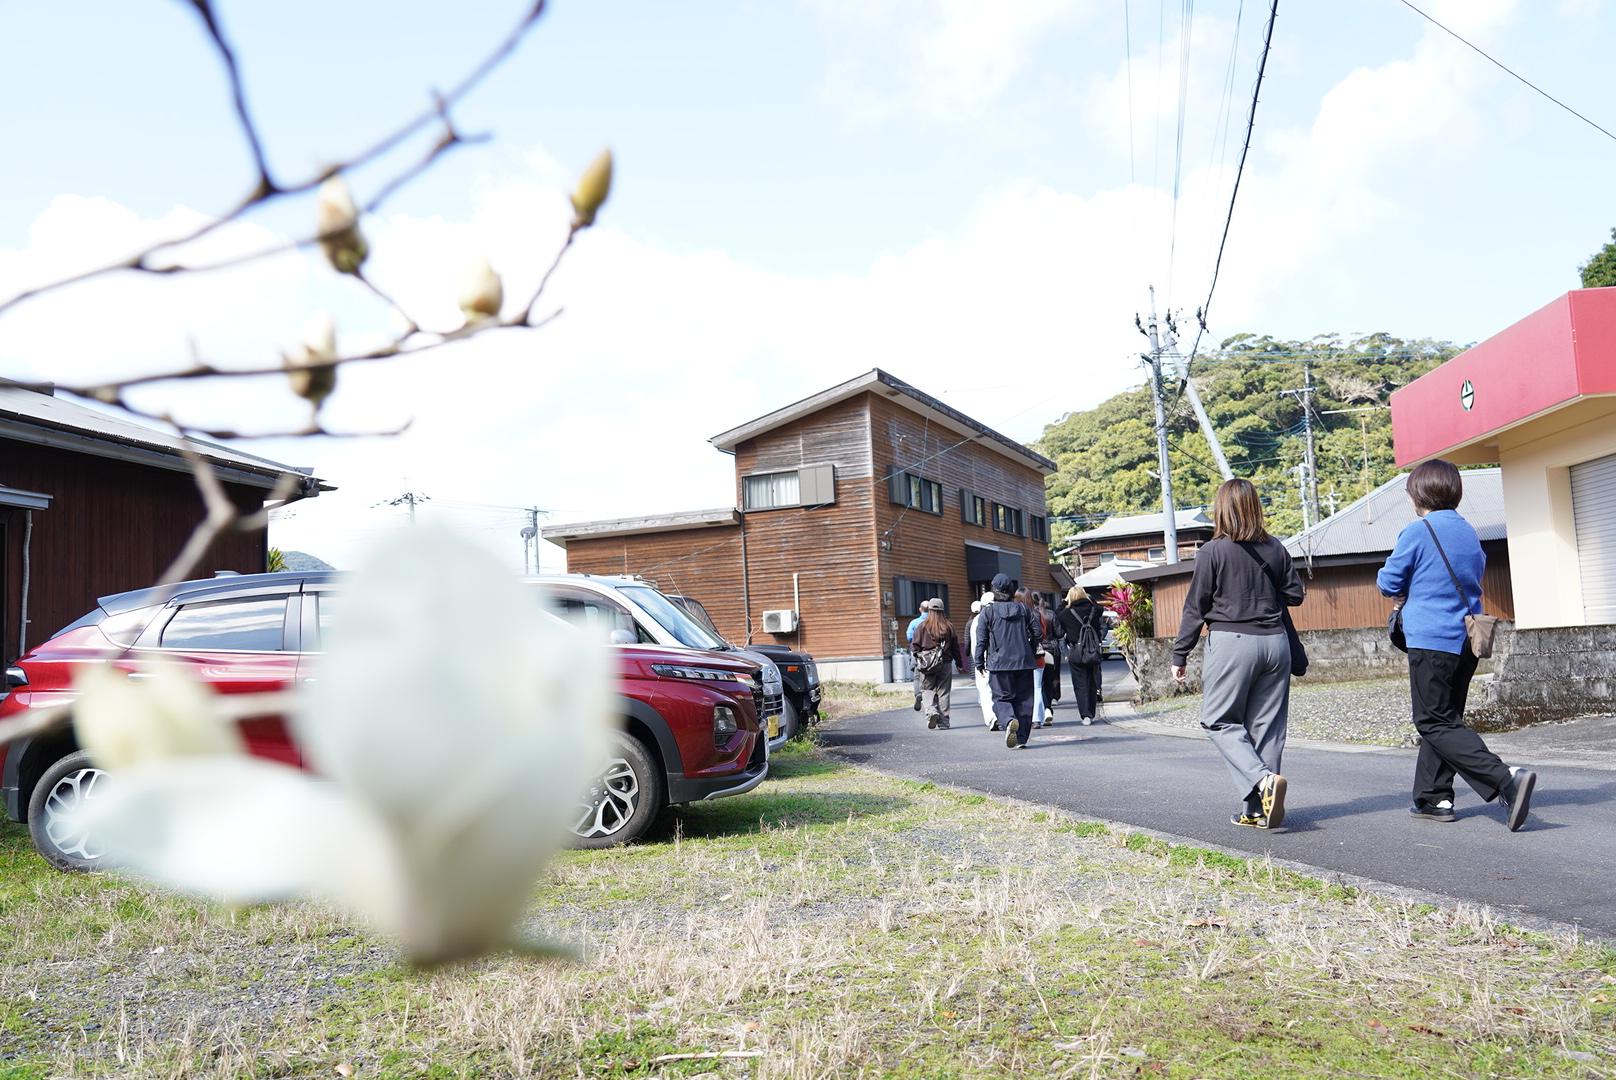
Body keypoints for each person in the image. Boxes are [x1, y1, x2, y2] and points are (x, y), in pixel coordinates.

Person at [1377, 459, 1537, 831]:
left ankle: (1506, 779)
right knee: (1446, 719)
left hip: (1430, 640)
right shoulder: (1467, 532)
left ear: (1419, 495)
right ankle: (1435, 797)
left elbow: (1388, 582)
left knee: (1432, 721)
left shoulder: (1417, 532)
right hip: (1465, 639)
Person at [1172, 478, 1304, 830]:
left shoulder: (1212, 551)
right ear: (1255, 507)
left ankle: (1262, 781)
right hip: (1275, 643)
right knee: (1267, 728)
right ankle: (1256, 810)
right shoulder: (1276, 548)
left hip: (1233, 642)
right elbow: (1295, 593)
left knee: (1218, 720)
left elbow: (1195, 607)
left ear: (1221, 509)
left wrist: (1179, 654)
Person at [977, 575, 1040, 747]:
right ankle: (1021, 738)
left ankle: (1009, 719)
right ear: (1012, 590)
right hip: (1024, 661)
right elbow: (1037, 632)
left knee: (1001, 698)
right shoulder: (1023, 609)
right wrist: (1031, 650)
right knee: (1025, 700)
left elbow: (981, 639)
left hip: (999, 663)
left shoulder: (988, 612)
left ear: (993, 590)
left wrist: (979, 662)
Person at [910, 598, 964, 730]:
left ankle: (931, 712)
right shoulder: (948, 626)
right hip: (945, 663)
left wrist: (919, 658)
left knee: (927, 690)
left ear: (929, 610)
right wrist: (959, 663)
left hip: (927, 664)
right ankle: (944, 722)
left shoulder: (922, 626)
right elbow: (956, 647)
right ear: (942, 610)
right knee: (943, 692)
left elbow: (914, 646)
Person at [1058, 587, 1106, 725]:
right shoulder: (1094, 611)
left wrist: (1064, 601)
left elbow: (1057, 614)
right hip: (1092, 651)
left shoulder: (1066, 613)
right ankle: (1091, 713)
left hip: (1075, 652)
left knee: (1080, 684)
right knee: (1092, 682)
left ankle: (1085, 715)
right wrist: (1090, 599)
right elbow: (1099, 607)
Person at [968, 594, 996, 728]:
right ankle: (1002, 715)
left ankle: (991, 717)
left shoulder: (977, 621)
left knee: (985, 691)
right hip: (998, 659)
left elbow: (976, 644)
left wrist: (977, 662)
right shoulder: (1000, 617)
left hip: (983, 659)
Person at [1039, 595, 1063, 719]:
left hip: (1038, 650)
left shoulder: (1030, 614)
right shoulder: (1051, 614)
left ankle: (1044, 706)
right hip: (1052, 649)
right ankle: (1054, 698)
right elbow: (1059, 633)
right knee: (1053, 676)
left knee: (1039, 681)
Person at [906, 601, 929, 711]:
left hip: (917, 652)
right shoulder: (934, 622)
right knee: (931, 675)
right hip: (931, 653)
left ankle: (918, 694)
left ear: (920, 609)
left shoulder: (915, 622)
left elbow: (909, 637)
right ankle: (931, 698)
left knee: (916, 676)